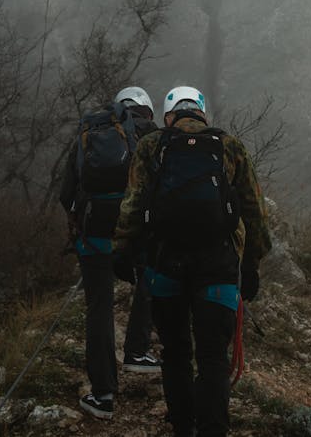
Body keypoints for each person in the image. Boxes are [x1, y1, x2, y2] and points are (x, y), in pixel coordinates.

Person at [113, 86, 271, 437]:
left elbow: (133, 203)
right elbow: (255, 212)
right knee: (213, 356)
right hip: (218, 265)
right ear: (202, 114)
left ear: (169, 115)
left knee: (175, 351)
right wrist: (252, 264)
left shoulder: (153, 146)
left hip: (166, 263)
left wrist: (122, 250)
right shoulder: (229, 146)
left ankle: (183, 427)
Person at [60, 86, 161, 421]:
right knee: (152, 273)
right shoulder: (151, 136)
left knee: (99, 308)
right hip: (135, 234)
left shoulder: (90, 132)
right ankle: (137, 351)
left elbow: (66, 192)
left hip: (93, 237)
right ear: (147, 110)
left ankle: (102, 395)